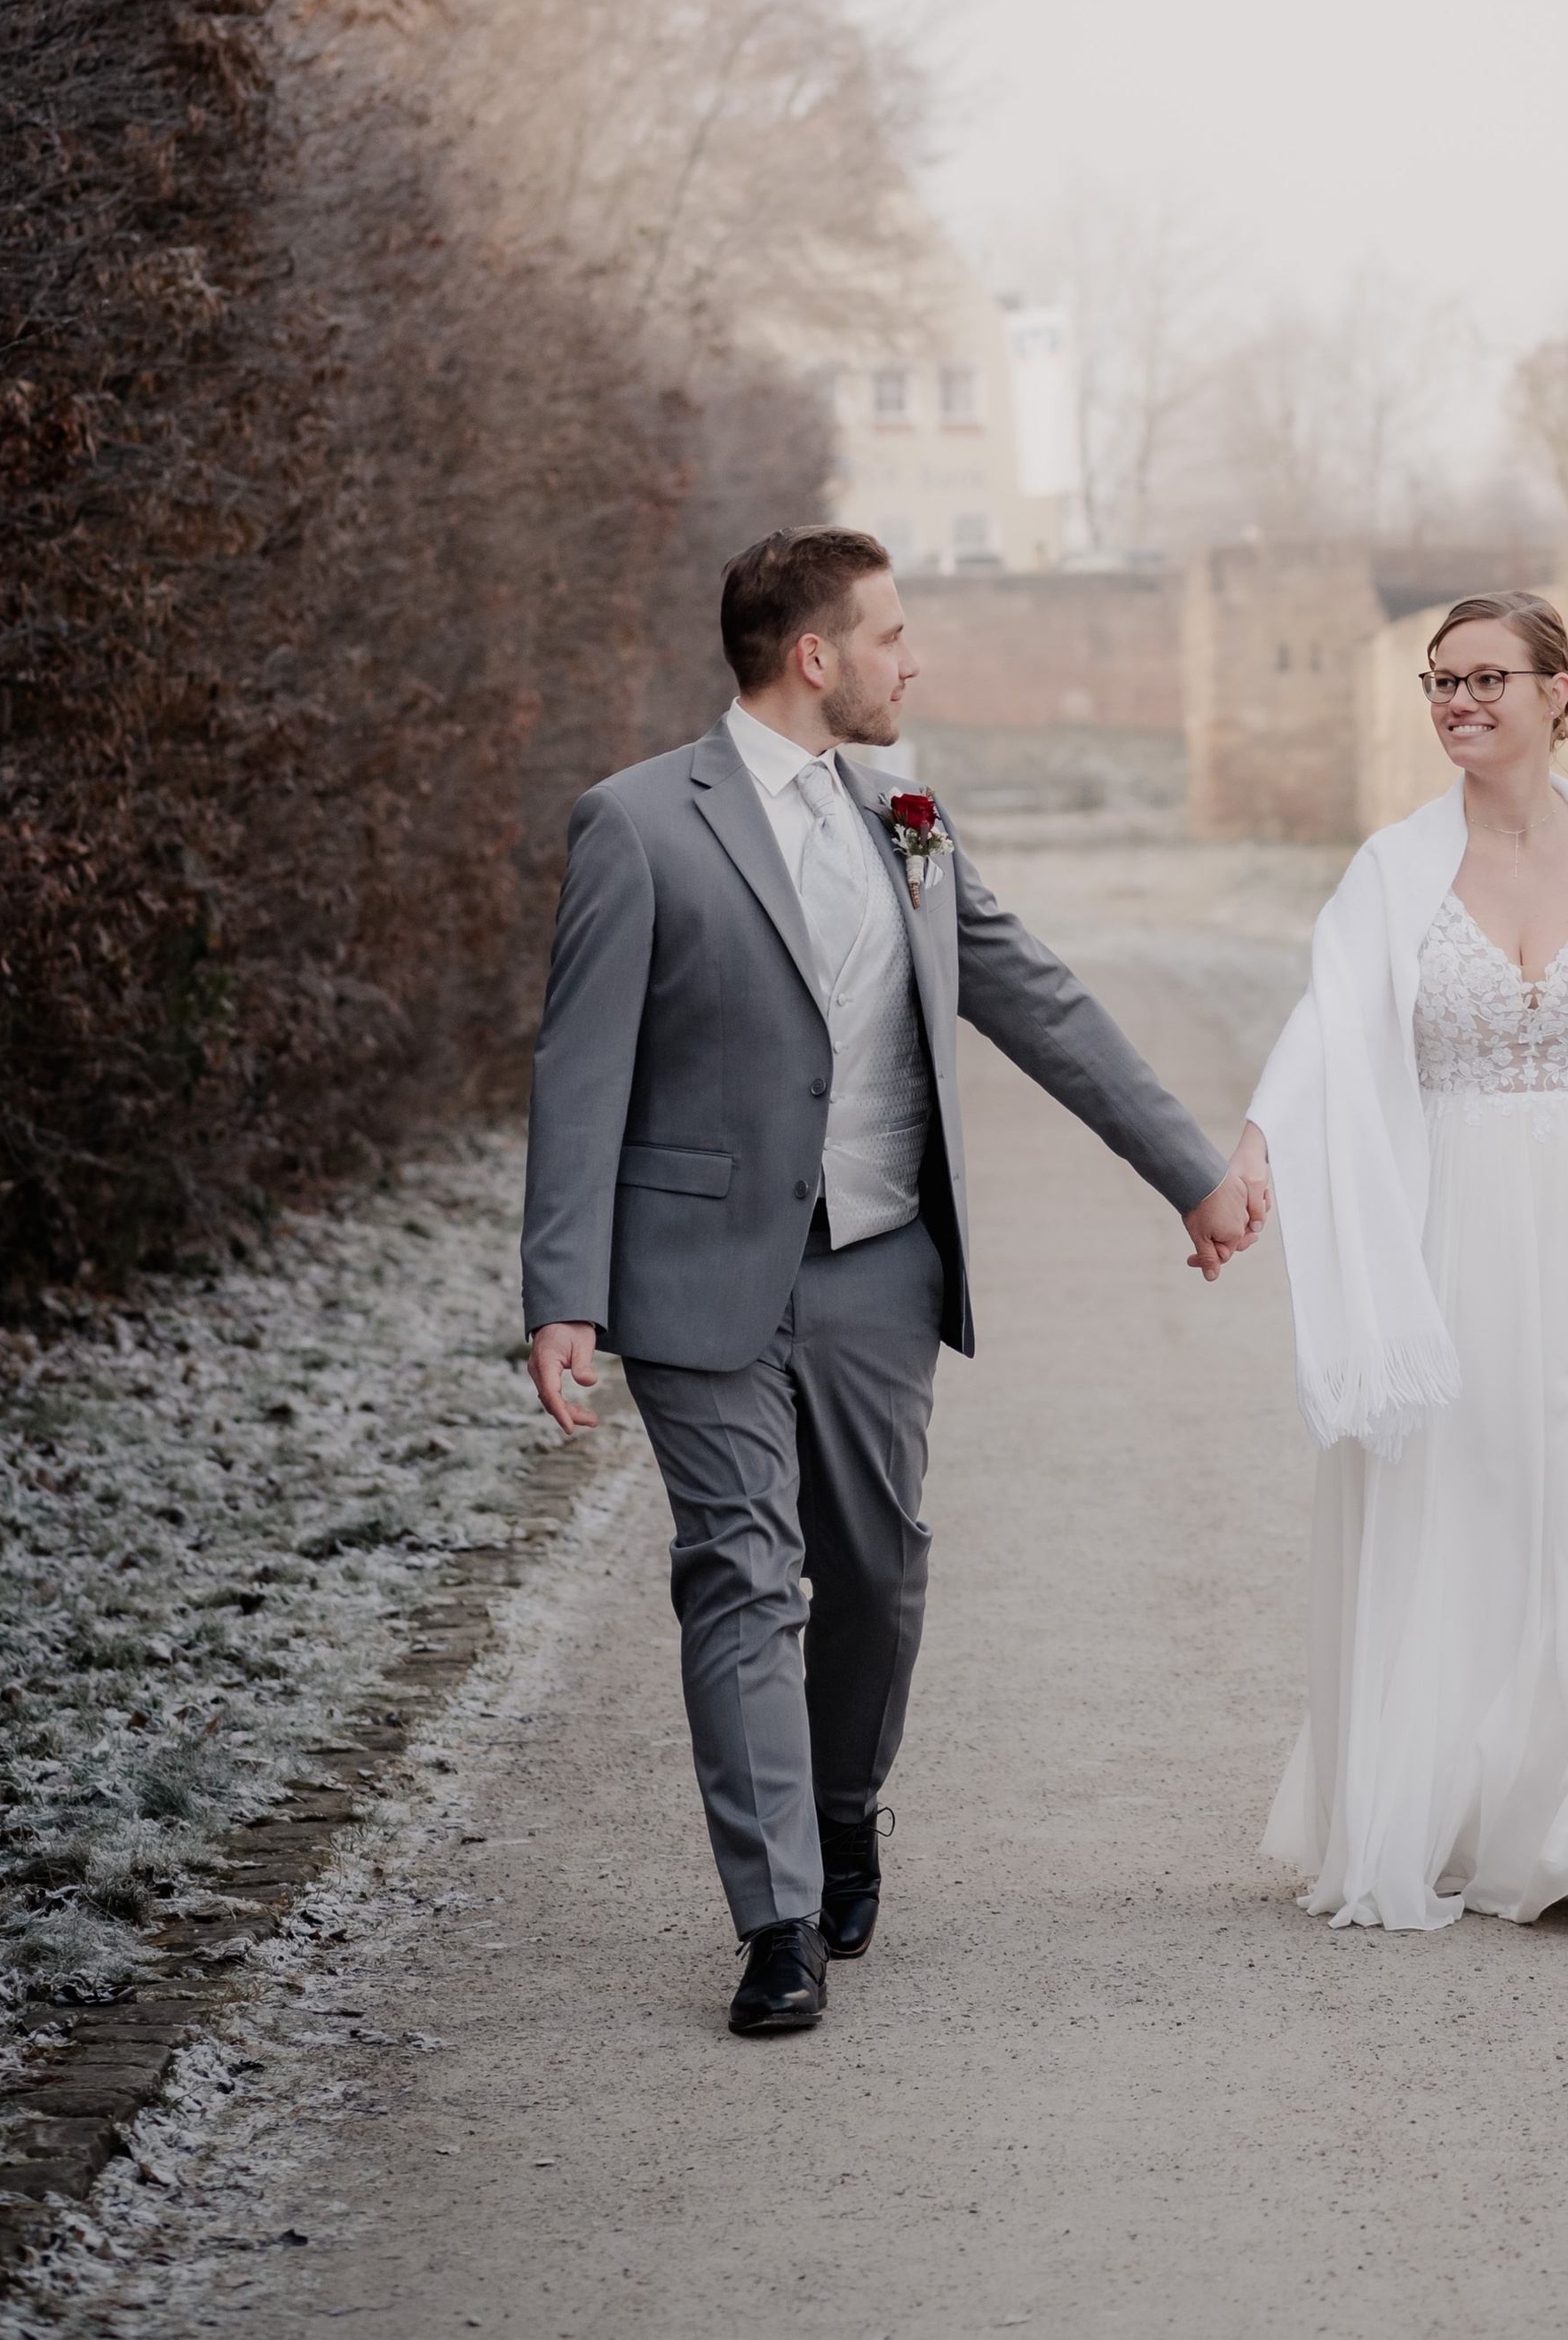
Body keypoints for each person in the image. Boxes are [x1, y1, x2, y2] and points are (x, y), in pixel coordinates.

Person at [519, 527, 1271, 2035]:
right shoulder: (640, 823)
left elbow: (1029, 990)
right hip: (697, 1272)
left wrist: (1186, 1166)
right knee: (740, 1571)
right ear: (816, 658)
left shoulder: (910, 812)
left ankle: (844, 1804)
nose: (910, 659)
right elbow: (579, 1069)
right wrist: (562, 1292)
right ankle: (777, 1919)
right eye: (891, 635)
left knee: (876, 1571)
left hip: (876, 1268)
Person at [1228, 589, 1568, 1934]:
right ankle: (1472, 1803)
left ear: (1560, 692)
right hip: (1448, 1222)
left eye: (1488, 679)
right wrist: (1250, 1156)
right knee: (1469, 1507)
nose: (1460, 702)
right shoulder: (1394, 871)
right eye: (1440, 682)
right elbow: (1327, 1035)